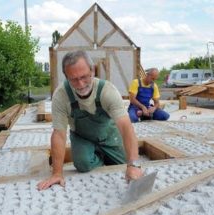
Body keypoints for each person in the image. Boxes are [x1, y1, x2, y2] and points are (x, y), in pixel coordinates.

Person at [37, 50, 143, 190]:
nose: (80, 84)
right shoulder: (61, 96)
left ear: (92, 71)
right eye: (74, 79)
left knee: (123, 163)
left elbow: (125, 127)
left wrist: (133, 164)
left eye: (84, 77)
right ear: (66, 77)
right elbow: (59, 134)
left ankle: (104, 154)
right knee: (83, 163)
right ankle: (96, 155)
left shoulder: (107, 91)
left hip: (109, 136)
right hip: (82, 137)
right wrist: (57, 173)